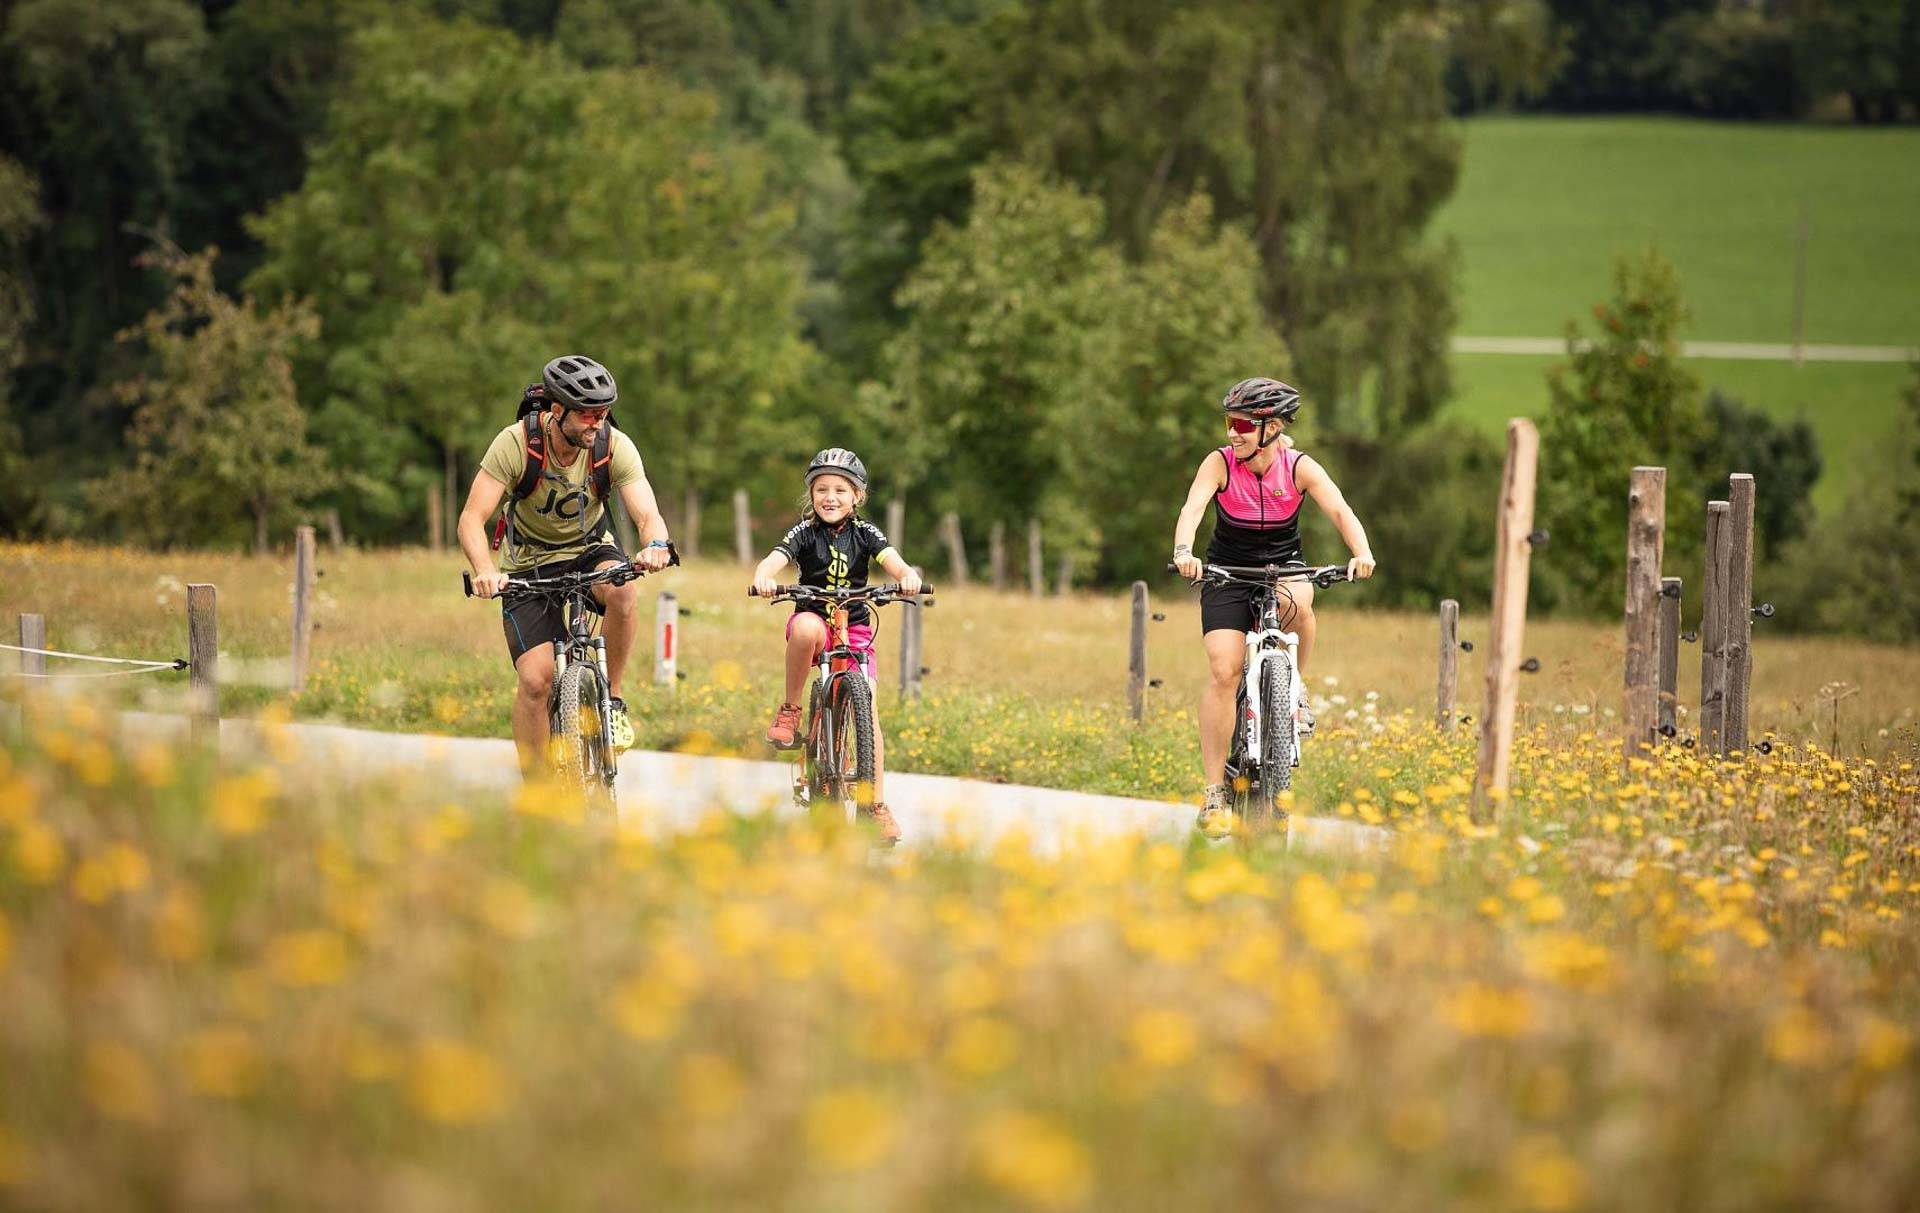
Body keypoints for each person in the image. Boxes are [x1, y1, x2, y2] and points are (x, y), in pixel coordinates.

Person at [1170, 377, 1375, 836]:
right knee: (1224, 670)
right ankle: (1214, 794)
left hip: (1284, 567)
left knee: (1302, 602)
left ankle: (1294, 688)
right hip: (1226, 573)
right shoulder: (1219, 463)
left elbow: (1341, 511)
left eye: (1242, 424)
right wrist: (1185, 553)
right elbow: (1193, 508)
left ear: (1272, 427)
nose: (1232, 433)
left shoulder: (1300, 466)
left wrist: (1361, 553)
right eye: (1229, 422)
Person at [456, 355, 675, 773]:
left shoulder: (613, 446)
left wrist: (657, 545)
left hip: (590, 549)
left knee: (624, 591)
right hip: (527, 564)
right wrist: (485, 569)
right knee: (536, 681)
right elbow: (471, 518)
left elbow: (647, 514)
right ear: (557, 411)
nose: (598, 423)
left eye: (604, 413)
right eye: (589, 415)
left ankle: (611, 700)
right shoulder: (516, 444)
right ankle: (537, 791)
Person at [751, 447, 922, 844]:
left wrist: (907, 575)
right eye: (822, 489)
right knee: (807, 627)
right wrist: (763, 576)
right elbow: (774, 559)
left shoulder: (866, 533)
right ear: (811, 495)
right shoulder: (804, 532)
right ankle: (791, 710)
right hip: (815, 624)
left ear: (857, 496)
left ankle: (875, 805)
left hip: (856, 630)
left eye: (841, 490)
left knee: (870, 709)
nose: (830, 497)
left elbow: (893, 560)